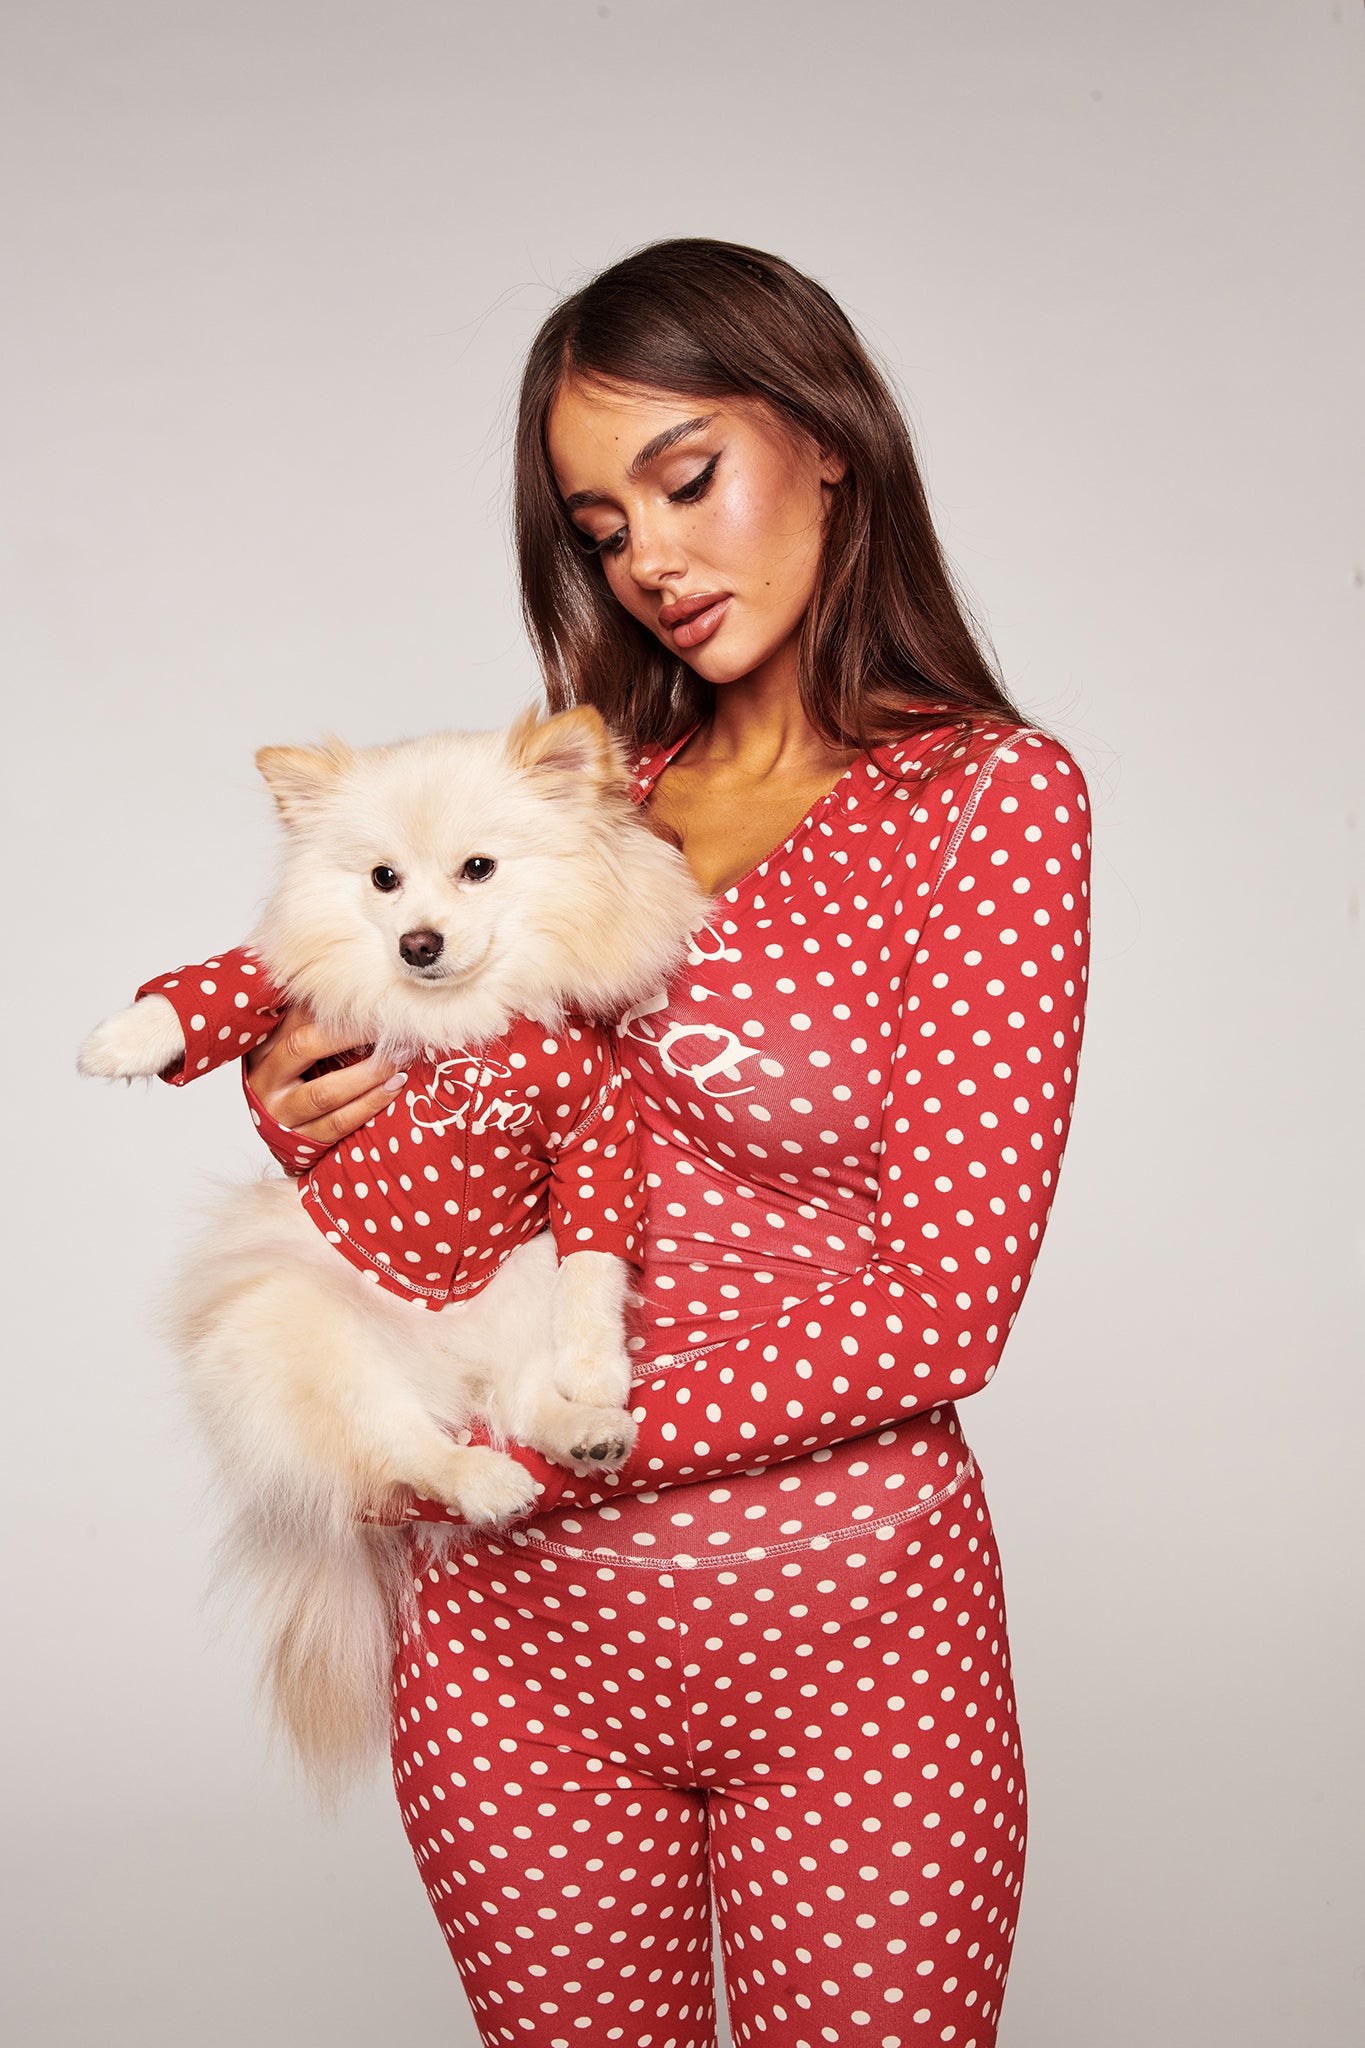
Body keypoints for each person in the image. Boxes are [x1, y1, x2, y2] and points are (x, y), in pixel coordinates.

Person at [234, 240, 1091, 2048]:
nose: (654, 559)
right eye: (603, 525)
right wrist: (305, 1086)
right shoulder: (573, 787)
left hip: (847, 1649)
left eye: (685, 477)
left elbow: (943, 1312)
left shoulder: (986, 803)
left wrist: (527, 1444)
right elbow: (428, 1084)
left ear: (829, 436)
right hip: (508, 1653)